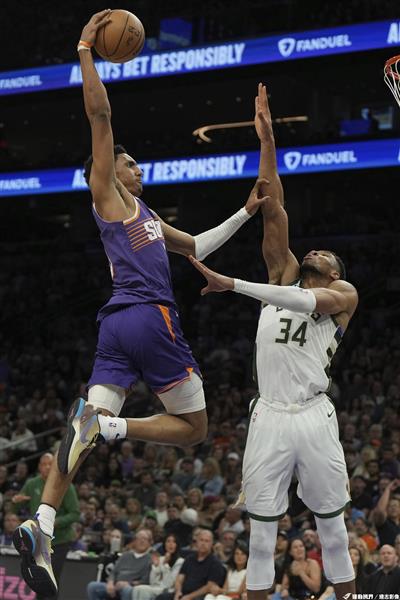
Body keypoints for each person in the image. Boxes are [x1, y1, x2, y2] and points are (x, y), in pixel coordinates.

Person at [13, 10, 268, 598]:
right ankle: (115, 426)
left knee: (80, 431)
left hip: (115, 330)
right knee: (196, 428)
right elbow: (100, 115)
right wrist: (85, 49)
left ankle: (42, 523)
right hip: (150, 317)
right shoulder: (106, 192)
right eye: (129, 162)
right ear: (107, 171)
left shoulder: (147, 215)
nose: (136, 166)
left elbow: (197, 246)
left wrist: (246, 212)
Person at [189, 83, 359, 598]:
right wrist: (267, 141)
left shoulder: (343, 295)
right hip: (269, 415)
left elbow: (306, 303)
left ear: (334, 272)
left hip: (313, 415)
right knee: (260, 538)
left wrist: (233, 284)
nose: (314, 251)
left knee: (333, 531)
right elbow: (272, 206)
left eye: (324, 253)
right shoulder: (283, 274)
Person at [12, 452, 79, 600]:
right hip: (37, 540)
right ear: (39, 467)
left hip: (59, 541)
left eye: (50, 464)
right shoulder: (32, 484)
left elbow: (75, 513)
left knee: (50, 580)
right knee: (38, 581)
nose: (47, 467)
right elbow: (15, 509)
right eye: (44, 464)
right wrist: (15, 502)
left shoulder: (65, 485)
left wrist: (54, 522)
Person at [156, 529, 226, 600]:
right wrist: (178, 592)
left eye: (206, 541)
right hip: (183, 593)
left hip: (199, 596)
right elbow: (179, 579)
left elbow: (209, 587)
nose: (203, 543)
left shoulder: (215, 563)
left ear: (212, 544)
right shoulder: (189, 559)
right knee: (162, 597)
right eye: (201, 540)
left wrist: (189, 597)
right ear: (196, 542)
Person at [87, 529, 153, 600]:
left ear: (149, 543)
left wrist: (128, 583)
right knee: (92, 586)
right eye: (139, 538)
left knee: (127, 590)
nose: (142, 541)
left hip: (131, 587)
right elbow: (114, 572)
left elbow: (145, 581)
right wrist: (110, 583)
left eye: (145, 539)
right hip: (115, 585)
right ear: (135, 541)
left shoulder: (150, 559)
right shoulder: (125, 555)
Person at [132, 534, 184, 600]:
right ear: (164, 544)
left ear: (177, 545)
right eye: (168, 541)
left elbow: (168, 584)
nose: (171, 544)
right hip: (156, 587)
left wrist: (165, 564)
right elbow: (152, 581)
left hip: (168, 590)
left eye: (174, 542)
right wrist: (155, 566)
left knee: (143, 591)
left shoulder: (180, 562)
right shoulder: (161, 559)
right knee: (136, 588)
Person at [372, 478, 400, 546]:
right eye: (390, 506)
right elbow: (380, 511)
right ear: (386, 510)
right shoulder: (384, 522)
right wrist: (388, 489)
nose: (393, 508)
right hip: (386, 551)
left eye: (395, 506)